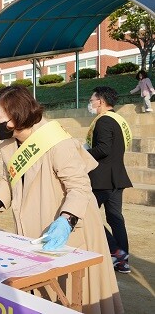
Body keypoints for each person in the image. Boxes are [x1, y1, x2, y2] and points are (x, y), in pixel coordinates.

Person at [0, 86, 123, 314]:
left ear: (16, 116)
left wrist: (66, 221)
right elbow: (8, 180)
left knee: (73, 295)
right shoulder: (12, 142)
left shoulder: (56, 141)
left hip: (69, 228)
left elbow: (79, 186)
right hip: (35, 228)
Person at [86, 86, 133, 274]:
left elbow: (103, 149)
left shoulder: (104, 120)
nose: (91, 103)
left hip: (101, 179)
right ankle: (123, 260)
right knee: (115, 219)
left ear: (101, 101)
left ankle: (115, 250)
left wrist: (82, 152)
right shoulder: (119, 120)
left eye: (92, 100)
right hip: (117, 177)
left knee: (88, 215)